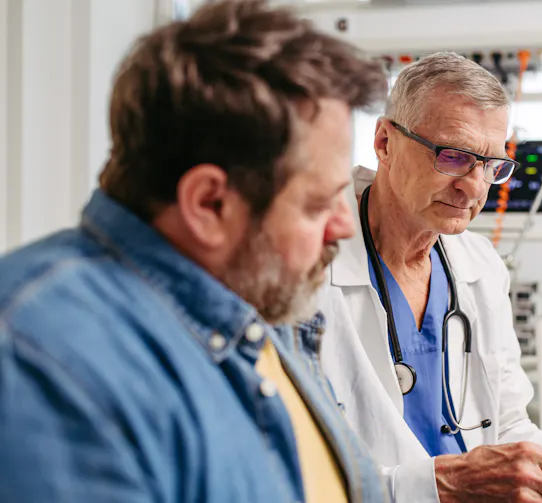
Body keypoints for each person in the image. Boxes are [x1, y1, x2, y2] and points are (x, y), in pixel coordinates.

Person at [0, 1, 388, 502]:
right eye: (317, 205)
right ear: (210, 203)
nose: (344, 226)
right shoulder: (45, 362)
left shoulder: (260, 301)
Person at [316, 52, 542, 503]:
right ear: (384, 142)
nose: (474, 187)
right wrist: (436, 485)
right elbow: (289, 467)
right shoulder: (307, 271)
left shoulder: (480, 267)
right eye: (453, 156)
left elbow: (510, 426)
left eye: (493, 165)